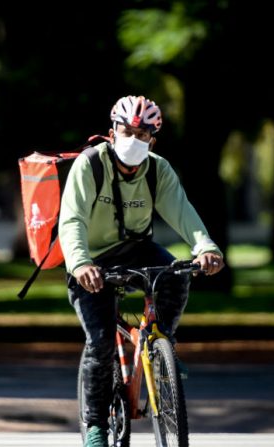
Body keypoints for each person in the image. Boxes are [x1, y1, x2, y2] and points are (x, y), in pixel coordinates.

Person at [58, 95, 224, 447]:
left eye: (143, 133)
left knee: (177, 274)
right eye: (127, 130)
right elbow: (70, 220)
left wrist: (205, 246)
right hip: (90, 259)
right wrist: (80, 263)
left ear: (153, 139)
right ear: (112, 131)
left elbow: (182, 211)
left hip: (136, 249)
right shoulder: (90, 165)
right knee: (100, 342)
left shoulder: (158, 169)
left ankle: (163, 343)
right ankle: (95, 427)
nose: (133, 138)